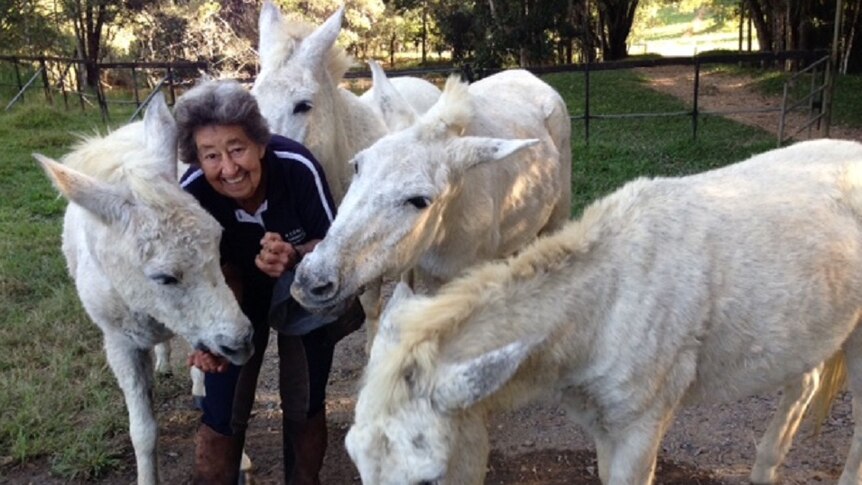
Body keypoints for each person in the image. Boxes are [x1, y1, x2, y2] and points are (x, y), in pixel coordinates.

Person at [174, 79, 362, 485]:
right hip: (230, 296)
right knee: (221, 413)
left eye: (237, 148)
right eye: (211, 156)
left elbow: (333, 248)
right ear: (196, 160)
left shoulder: (297, 166)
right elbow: (190, 280)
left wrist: (294, 255)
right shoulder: (190, 194)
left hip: (300, 290)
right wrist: (206, 340)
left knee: (304, 400)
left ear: (261, 144)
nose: (228, 168)